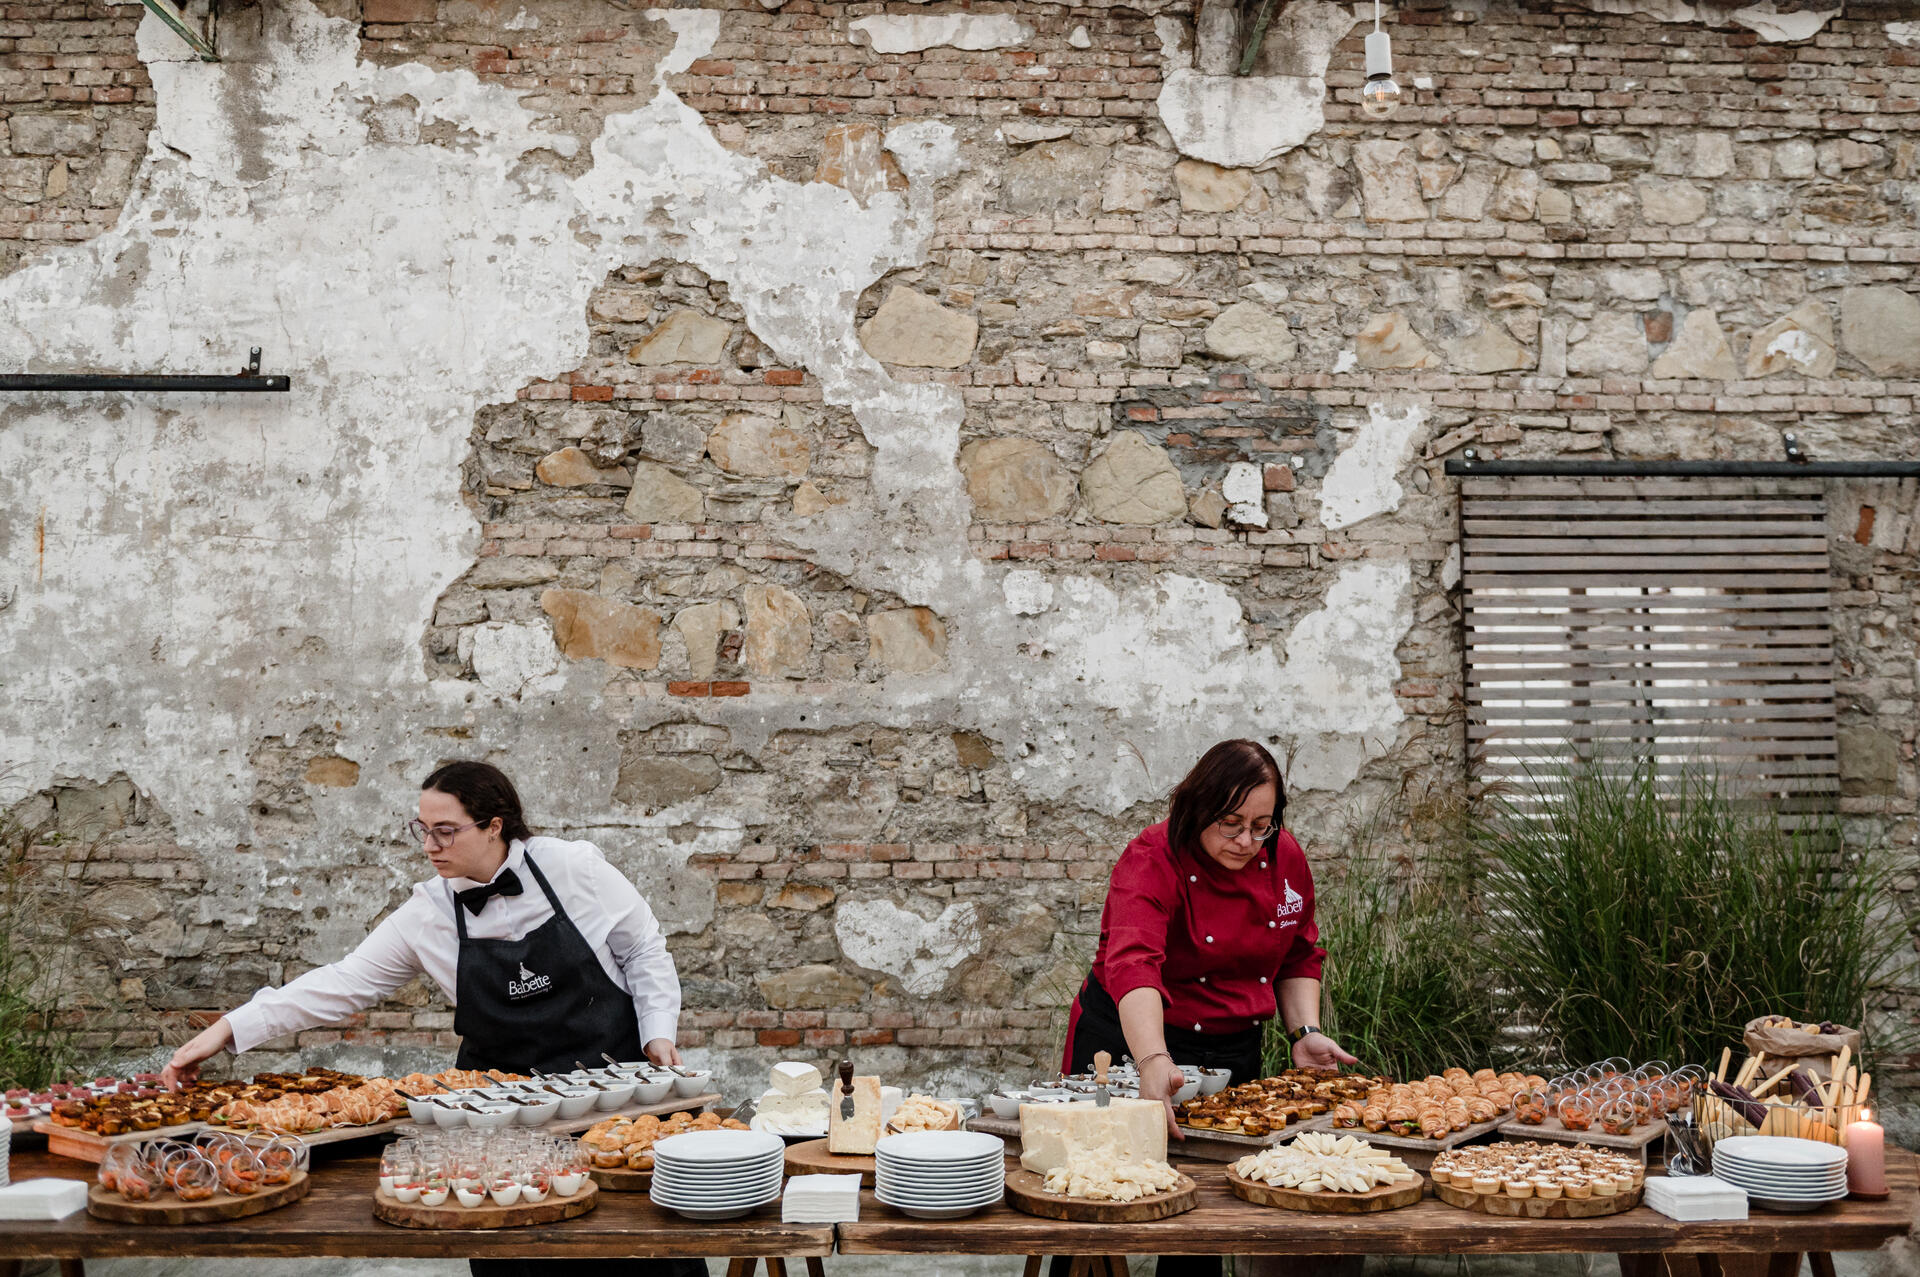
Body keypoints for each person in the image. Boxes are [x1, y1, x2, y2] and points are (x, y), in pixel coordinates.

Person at [162, 760, 697, 1277]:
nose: (429, 846)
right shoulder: (427, 913)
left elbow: (643, 949)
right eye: (422, 830)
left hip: (616, 1098)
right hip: (499, 1122)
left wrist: (658, 1032)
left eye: (445, 831)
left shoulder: (574, 868)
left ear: (494, 826)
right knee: (518, 1256)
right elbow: (343, 982)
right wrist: (225, 1030)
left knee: (640, 1247)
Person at [1056, 739, 1356, 1277]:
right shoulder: (1151, 857)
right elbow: (1134, 965)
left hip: (1229, 1048)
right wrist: (1152, 1060)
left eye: (1261, 825)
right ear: (1197, 808)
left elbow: (1298, 953)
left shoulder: (1282, 856)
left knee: (1206, 1217)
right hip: (1129, 1041)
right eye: (1231, 824)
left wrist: (1304, 1031)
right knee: (1091, 1199)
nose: (1246, 841)